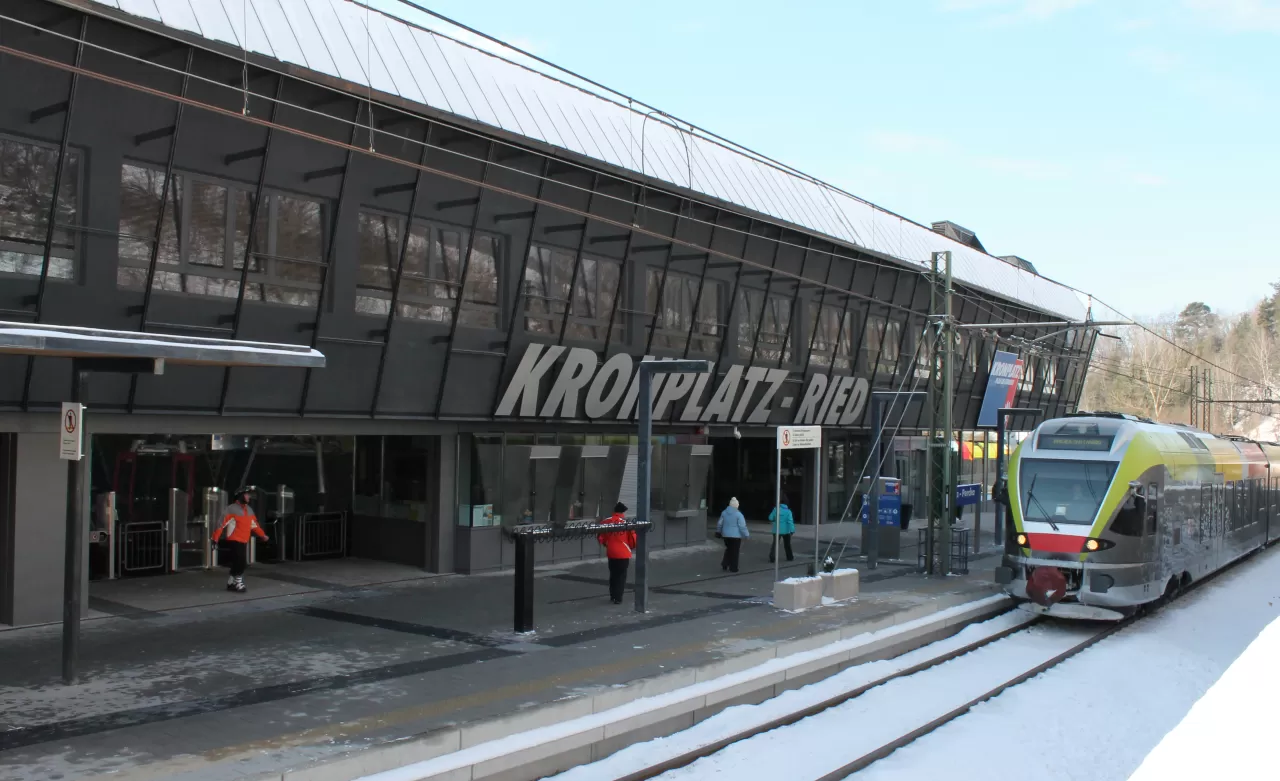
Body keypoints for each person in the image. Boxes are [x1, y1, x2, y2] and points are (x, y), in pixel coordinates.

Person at [212, 487, 268, 593]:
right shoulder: (231, 509)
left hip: (244, 540)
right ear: (240, 496)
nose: (249, 497)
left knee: (237, 562)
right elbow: (220, 525)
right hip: (234, 539)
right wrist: (215, 539)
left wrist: (262, 535)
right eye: (247, 495)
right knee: (241, 562)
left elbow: (254, 525)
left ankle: (230, 583)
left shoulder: (249, 510)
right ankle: (238, 583)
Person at [597, 502, 636, 604]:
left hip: (612, 552)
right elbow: (633, 540)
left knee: (613, 574)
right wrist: (630, 547)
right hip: (624, 553)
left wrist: (606, 544)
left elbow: (600, 535)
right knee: (621, 575)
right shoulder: (626, 523)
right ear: (623, 512)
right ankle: (618, 598)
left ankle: (613, 595)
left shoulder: (606, 522)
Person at [716, 497, 749, 572]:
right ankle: (733, 568)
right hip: (736, 536)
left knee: (729, 549)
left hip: (725, 535)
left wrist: (718, 531)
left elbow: (719, 523)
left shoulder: (724, 513)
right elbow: (742, 526)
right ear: (737, 505)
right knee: (735, 552)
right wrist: (746, 535)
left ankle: (725, 563)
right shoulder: (738, 514)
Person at [768, 495, 796, 563]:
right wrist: (792, 530)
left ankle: (772, 557)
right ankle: (789, 557)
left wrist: (775, 519)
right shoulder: (788, 511)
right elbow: (790, 522)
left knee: (775, 544)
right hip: (786, 531)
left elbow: (770, 518)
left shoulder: (775, 509)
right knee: (787, 544)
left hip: (776, 530)